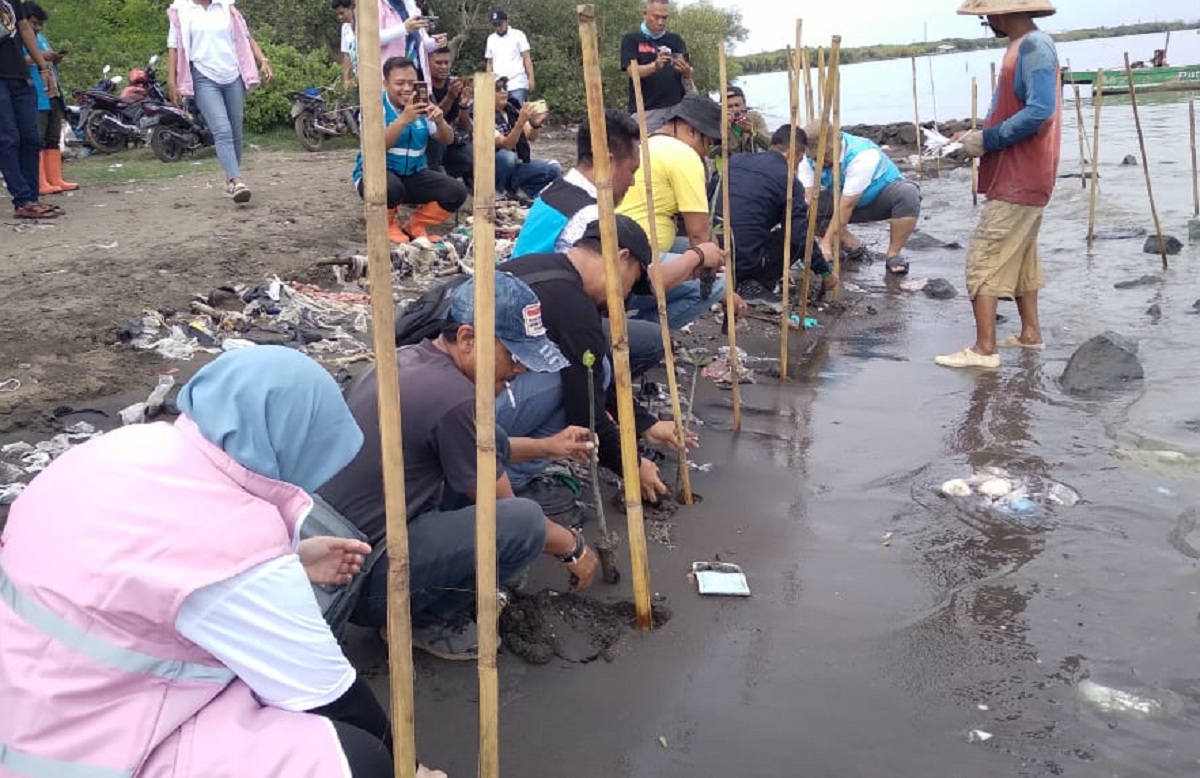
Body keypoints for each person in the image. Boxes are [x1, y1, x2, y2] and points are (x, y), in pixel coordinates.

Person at [0, 346, 450, 778]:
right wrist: (406, 768)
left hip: (30, 693)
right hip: (77, 750)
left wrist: (288, 557)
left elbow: (137, 560)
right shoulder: (234, 549)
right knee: (356, 756)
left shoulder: (131, 447)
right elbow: (328, 692)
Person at [319, 273, 599, 660]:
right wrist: (573, 547)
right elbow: (505, 511)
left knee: (493, 437)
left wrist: (548, 448)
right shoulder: (454, 399)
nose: (519, 369)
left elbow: (482, 448)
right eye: (513, 355)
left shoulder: (414, 359)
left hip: (339, 553)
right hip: (365, 580)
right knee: (524, 523)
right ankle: (427, 619)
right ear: (467, 339)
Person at [499, 217, 696, 512]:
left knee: (588, 369)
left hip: (442, 410)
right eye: (633, 280)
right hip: (472, 424)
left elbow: (593, 383)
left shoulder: (536, 264)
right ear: (622, 258)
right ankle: (508, 479)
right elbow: (586, 409)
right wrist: (632, 467)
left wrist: (646, 425)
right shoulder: (574, 307)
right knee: (578, 376)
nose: (627, 293)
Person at [936, 0, 1061, 370]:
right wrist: (975, 134)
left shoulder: (1035, 46)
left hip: (1022, 173)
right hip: (1025, 171)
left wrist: (987, 141)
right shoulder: (1022, 46)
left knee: (983, 259)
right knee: (1022, 258)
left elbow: (1040, 111)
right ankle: (1030, 334)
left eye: (987, 16)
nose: (987, 22)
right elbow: (1010, 109)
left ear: (1002, 12)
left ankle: (984, 349)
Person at [617, 93, 746, 328]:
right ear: (691, 131)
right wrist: (727, 292)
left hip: (621, 249)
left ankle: (640, 327)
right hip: (637, 260)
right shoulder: (684, 155)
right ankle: (650, 332)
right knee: (716, 282)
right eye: (707, 143)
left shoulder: (648, 144)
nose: (706, 153)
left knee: (692, 250)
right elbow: (699, 233)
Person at [712, 125, 836, 304]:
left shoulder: (736, 160)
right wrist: (824, 271)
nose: (797, 166)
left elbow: (711, 194)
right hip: (742, 263)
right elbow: (798, 237)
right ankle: (750, 283)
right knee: (791, 235)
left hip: (714, 253)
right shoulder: (788, 181)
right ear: (792, 152)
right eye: (799, 160)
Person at [167, 0, 273, 204]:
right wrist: (172, 81)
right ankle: (237, 180)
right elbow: (173, 48)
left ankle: (230, 177)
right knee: (222, 129)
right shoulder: (181, 10)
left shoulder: (226, 6)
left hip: (233, 74)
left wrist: (263, 60)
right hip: (203, 76)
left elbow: (245, 36)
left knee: (235, 131)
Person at [353, 55, 465, 244]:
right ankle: (386, 224)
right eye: (399, 83)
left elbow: (448, 139)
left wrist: (440, 121)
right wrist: (404, 119)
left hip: (413, 174)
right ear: (385, 84)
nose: (406, 89)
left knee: (456, 191)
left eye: (411, 83)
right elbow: (375, 148)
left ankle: (416, 224)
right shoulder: (373, 108)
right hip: (376, 174)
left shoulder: (422, 106)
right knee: (391, 188)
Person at [799, 121, 921, 276]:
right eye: (815, 158)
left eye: (826, 156)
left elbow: (846, 205)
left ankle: (893, 255)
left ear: (837, 143)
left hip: (877, 199)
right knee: (800, 209)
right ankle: (853, 246)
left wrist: (826, 243)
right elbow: (809, 198)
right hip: (839, 199)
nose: (820, 162)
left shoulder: (863, 155)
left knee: (908, 194)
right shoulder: (807, 159)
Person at [1, 0, 60, 219]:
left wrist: (43, 66)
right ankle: (22, 200)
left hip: (19, 75)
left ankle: (33, 198)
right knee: (8, 138)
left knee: (31, 137)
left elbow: (24, 28)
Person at [21, 2, 75, 197]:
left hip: (52, 92)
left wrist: (54, 58)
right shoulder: (18, 40)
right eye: (34, 23)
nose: (37, 28)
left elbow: (45, 59)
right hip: (34, 94)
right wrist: (41, 57)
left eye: (40, 24)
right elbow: (19, 61)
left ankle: (55, 178)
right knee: (38, 138)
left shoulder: (41, 38)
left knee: (53, 137)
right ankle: (39, 181)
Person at [620, 0, 693, 131]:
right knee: (644, 149)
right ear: (645, 14)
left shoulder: (675, 40)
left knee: (674, 149)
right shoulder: (631, 39)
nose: (660, 22)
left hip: (676, 109)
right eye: (656, 17)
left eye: (664, 18)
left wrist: (686, 70)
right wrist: (655, 66)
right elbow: (632, 72)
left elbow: (689, 71)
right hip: (646, 110)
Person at [493, 75, 559, 200]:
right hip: (495, 168)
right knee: (507, 156)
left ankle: (525, 193)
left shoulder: (511, 109)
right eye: (498, 88)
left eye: (505, 88)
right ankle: (499, 192)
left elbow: (530, 136)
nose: (503, 91)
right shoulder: (482, 115)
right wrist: (520, 122)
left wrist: (535, 124)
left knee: (553, 167)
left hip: (517, 165)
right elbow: (507, 144)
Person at [426, 46, 474, 186]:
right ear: (427, 63)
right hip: (430, 139)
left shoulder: (453, 83)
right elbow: (432, 118)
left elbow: (463, 126)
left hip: (450, 138)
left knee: (471, 156)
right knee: (436, 142)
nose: (443, 67)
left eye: (447, 63)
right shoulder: (423, 86)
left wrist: (464, 106)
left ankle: (449, 176)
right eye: (438, 63)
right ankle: (435, 179)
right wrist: (450, 96)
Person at [377, 0, 445, 87]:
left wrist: (435, 42)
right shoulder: (376, 5)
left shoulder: (411, 4)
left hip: (416, 72)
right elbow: (373, 38)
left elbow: (421, 41)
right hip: (393, 75)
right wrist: (404, 28)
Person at [484, 9, 534, 105]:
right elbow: (489, 62)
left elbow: (526, 58)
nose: (498, 28)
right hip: (499, 85)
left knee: (516, 111)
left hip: (517, 82)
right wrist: (488, 81)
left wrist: (531, 78)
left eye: (500, 24)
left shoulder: (518, 35)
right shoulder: (491, 39)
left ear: (506, 22)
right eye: (495, 25)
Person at [724, 86, 770, 156]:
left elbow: (769, 144)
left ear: (744, 104)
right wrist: (726, 130)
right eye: (729, 107)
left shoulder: (754, 117)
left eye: (737, 105)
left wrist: (752, 131)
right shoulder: (719, 122)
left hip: (753, 162)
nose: (735, 109)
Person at [332, 0, 357, 92]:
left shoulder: (362, 25)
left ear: (351, 8)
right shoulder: (345, 28)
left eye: (342, 13)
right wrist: (346, 80)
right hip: (357, 77)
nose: (340, 17)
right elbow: (346, 54)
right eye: (337, 14)